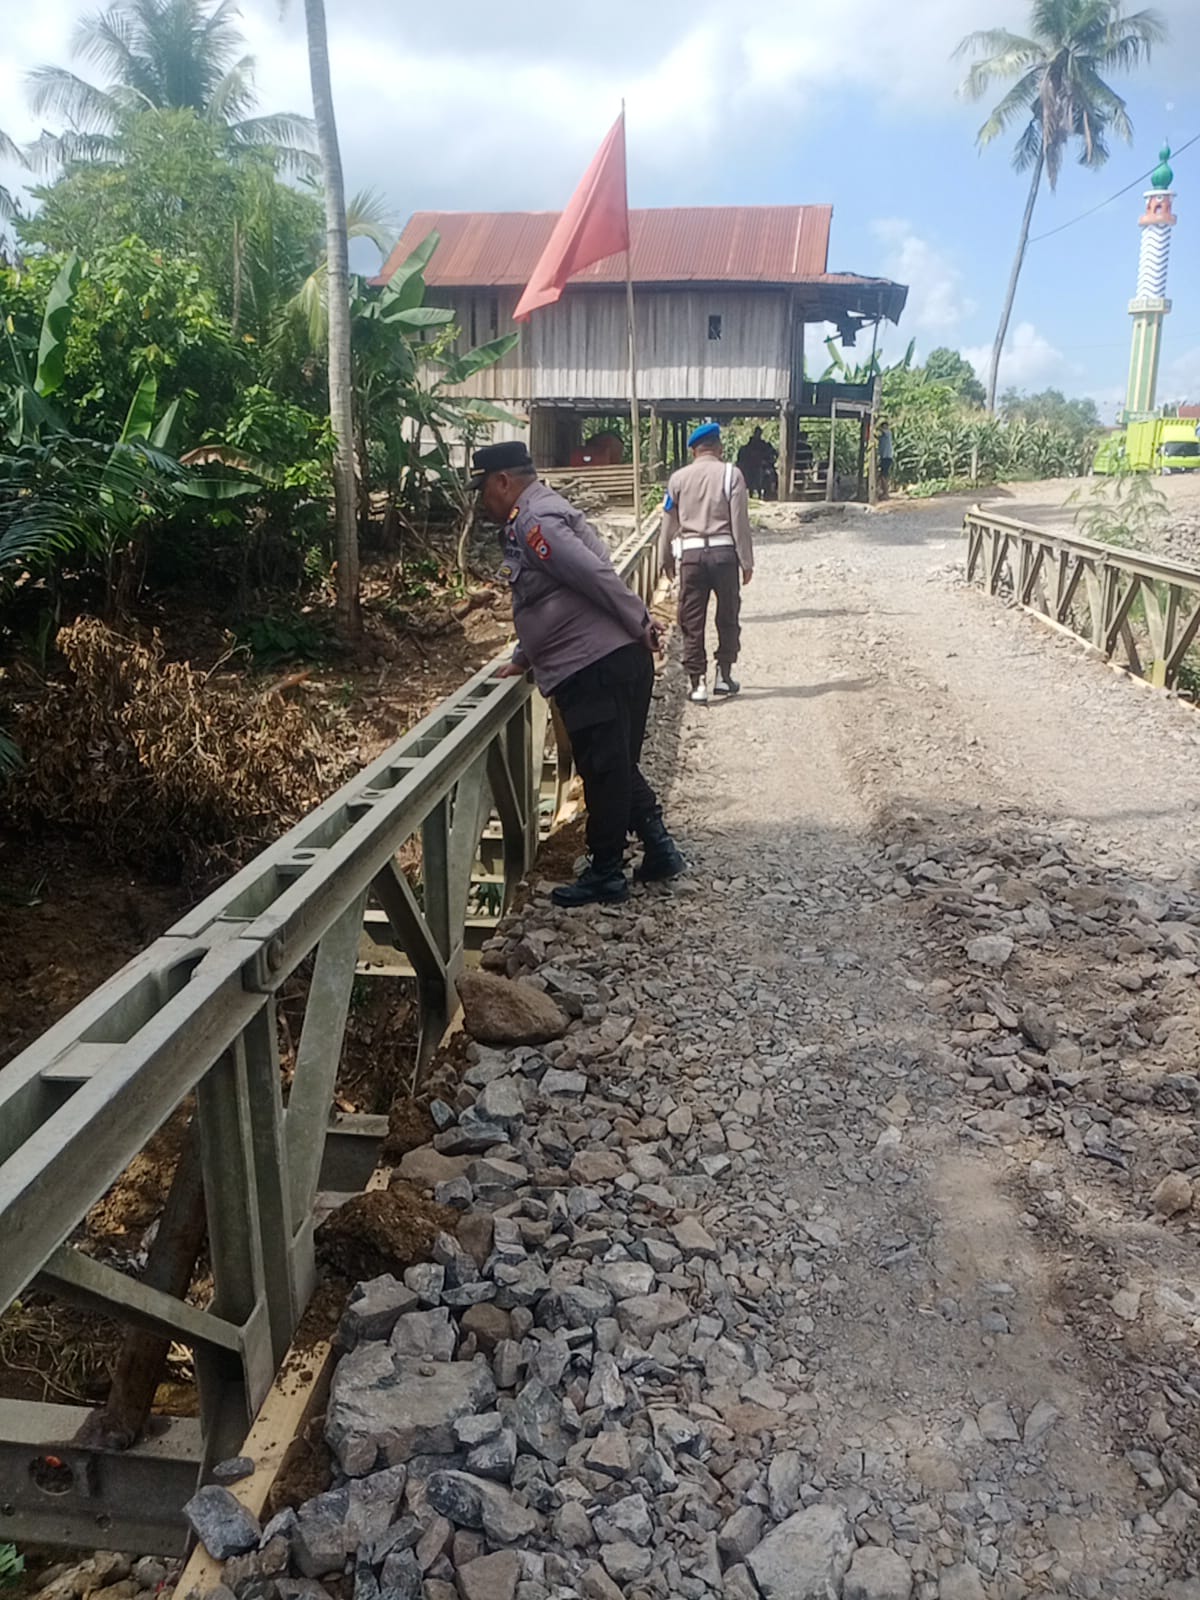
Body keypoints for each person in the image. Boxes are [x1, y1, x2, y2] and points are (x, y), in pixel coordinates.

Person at [473, 440, 684, 907]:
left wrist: (642, 622)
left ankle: (606, 871)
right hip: (608, 659)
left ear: (503, 481)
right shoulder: (543, 513)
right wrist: (524, 657)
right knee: (615, 765)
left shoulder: (534, 523)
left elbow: (595, 577)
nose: (481, 500)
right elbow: (550, 598)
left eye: (483, 488)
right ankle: (658, 849)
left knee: (604, 770)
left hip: (594, 665)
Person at [660, 422, 754, 704]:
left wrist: (665, 558)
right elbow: (740, 522)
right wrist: (746, 561)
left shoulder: (678, 479)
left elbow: (668, 523)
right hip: (724, 556)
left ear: (693, 451)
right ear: (719, 448)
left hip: (691, 557)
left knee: (692, 619)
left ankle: (697, 682)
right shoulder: (731, 475)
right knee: (727, 614)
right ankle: (723, 676)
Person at [735, 426, 777, 499]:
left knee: (770, 475)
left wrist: (769, 461)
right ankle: (752, 493)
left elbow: (774, 453)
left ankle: (767, 493)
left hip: (761, 467)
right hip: (750, 468)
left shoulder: (764, 445)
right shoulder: (746, 448)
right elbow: (741, 459)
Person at [877, 417, 894, 498]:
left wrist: (875, 426)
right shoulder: (882, 436)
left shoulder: (888, 433)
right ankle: (884, 492)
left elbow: (882, 431)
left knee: (883, 476)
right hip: (884, 457)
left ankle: (886, 493)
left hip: (887, 457)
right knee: (882, 475)